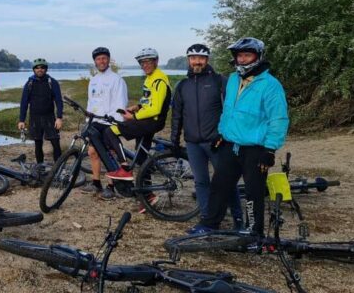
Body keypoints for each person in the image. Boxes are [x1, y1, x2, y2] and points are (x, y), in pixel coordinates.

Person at [188, 38, 289, 236]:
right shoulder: (234, 79)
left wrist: (270, 149)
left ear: (258, 57)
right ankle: (210, 224)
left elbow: (278, 119)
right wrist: (221, 133)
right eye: (239, 55)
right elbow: (228, 110)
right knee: (219, 185)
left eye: (247, 55)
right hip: (230, 144)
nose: (242, 59)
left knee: (253, 192)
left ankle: (253, 233)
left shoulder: (270, 85)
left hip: (256, 148)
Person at [170, 44, 243, 229]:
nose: (197, 62)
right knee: (201, 182)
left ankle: (239, 220)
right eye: (193, 58)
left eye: (201, 58)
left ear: (207, 60)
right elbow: (177, 115)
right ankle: (207, 220)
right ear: (188, 60)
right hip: (193, 143)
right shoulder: (182, 85)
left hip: (217, 141)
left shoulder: (219, 81)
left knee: (227, 181)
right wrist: (174, 141)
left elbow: (232, 110)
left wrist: (226, 135)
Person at [102, 48, 171, 212]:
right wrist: (137, 107)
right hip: (148, 120)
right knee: (142, 158)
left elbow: (155, 108)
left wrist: (134, 117)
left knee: (110, 132)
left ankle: (124, 168)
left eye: (148, 61)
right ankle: (148, 196)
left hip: (151, 121)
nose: (145, 65)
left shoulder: (159, 80)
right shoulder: (150, 78)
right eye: (142, 63)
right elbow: (148, 101)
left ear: (156, 61)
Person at [79, 47, 129, 196]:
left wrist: (115, 122)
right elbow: (91, 102)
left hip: (109, 123)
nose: (101, 61)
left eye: (104, 58)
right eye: (98, 59)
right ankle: (96, 183)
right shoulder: (93, 80)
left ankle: (111, 186)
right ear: (95, 61)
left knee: (108, 154)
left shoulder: (117, 80)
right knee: (92, 152)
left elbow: (121, 103)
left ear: (108, 60)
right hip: (95, 122)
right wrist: (88, 120)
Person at [17, 58, 64, 164]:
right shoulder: (29, 83)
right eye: (37, 68)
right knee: (38, 144)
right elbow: (24, 103)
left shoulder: (52, 82)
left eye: (42, 67)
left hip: (49, 117)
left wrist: (59, 117)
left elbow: (59, 101)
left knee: (55, 143)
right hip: (35, 118)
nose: (40, 69)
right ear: (34, 69)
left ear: (46, 69)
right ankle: (40, 167)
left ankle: (59, 168)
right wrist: (21, 120)